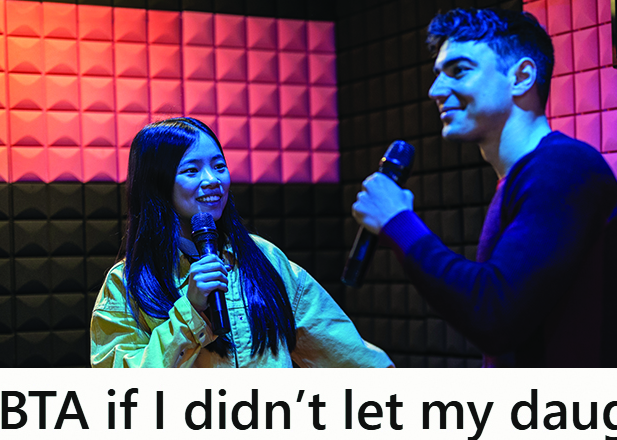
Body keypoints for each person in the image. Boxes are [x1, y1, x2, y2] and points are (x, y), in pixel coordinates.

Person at [351, 9, 617, 367]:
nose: (435, 90)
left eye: (459, 70)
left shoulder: (563, 169)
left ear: (520, 77)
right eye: (438, 74)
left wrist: (397, 222)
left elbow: (494, 313)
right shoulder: (525, 177)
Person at [91, 117, 392, 368]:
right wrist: (190, 313)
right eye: (192, 170)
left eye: (219, 166)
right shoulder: (126, 283)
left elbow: (341, 348)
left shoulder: (265, 259)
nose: (212, 180)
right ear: (157, 185)